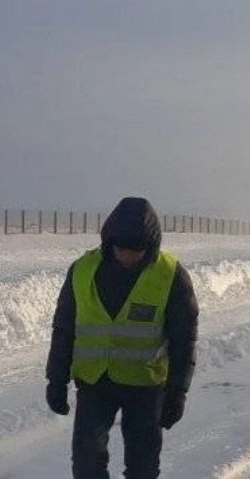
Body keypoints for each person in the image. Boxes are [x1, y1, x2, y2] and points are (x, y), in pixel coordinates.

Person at [45, 197, 199, 479]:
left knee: (143, 466)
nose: (128, 256)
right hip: (95, 383)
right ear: (110, 242)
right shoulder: (82, 270)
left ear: (150, 248)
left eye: (136, 251)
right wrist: (56, 379)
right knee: (86, 460)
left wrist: (178, 391)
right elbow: (64, 328)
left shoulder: (170, 275)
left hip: (146, 387)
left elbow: (184, 338)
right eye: (121, 249)